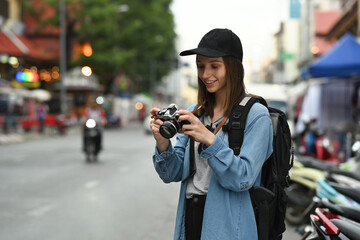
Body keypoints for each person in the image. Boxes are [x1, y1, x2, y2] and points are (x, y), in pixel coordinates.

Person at [150, 28, 273, 240]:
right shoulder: (195, 111)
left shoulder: (256, 115)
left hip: (228, 226)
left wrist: (208, 139)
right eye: (200, 66)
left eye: (215, 66)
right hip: (191, 219)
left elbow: (243, 178)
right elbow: (173, 173)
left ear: (233, 68)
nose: (206, 74)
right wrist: (163, 143)